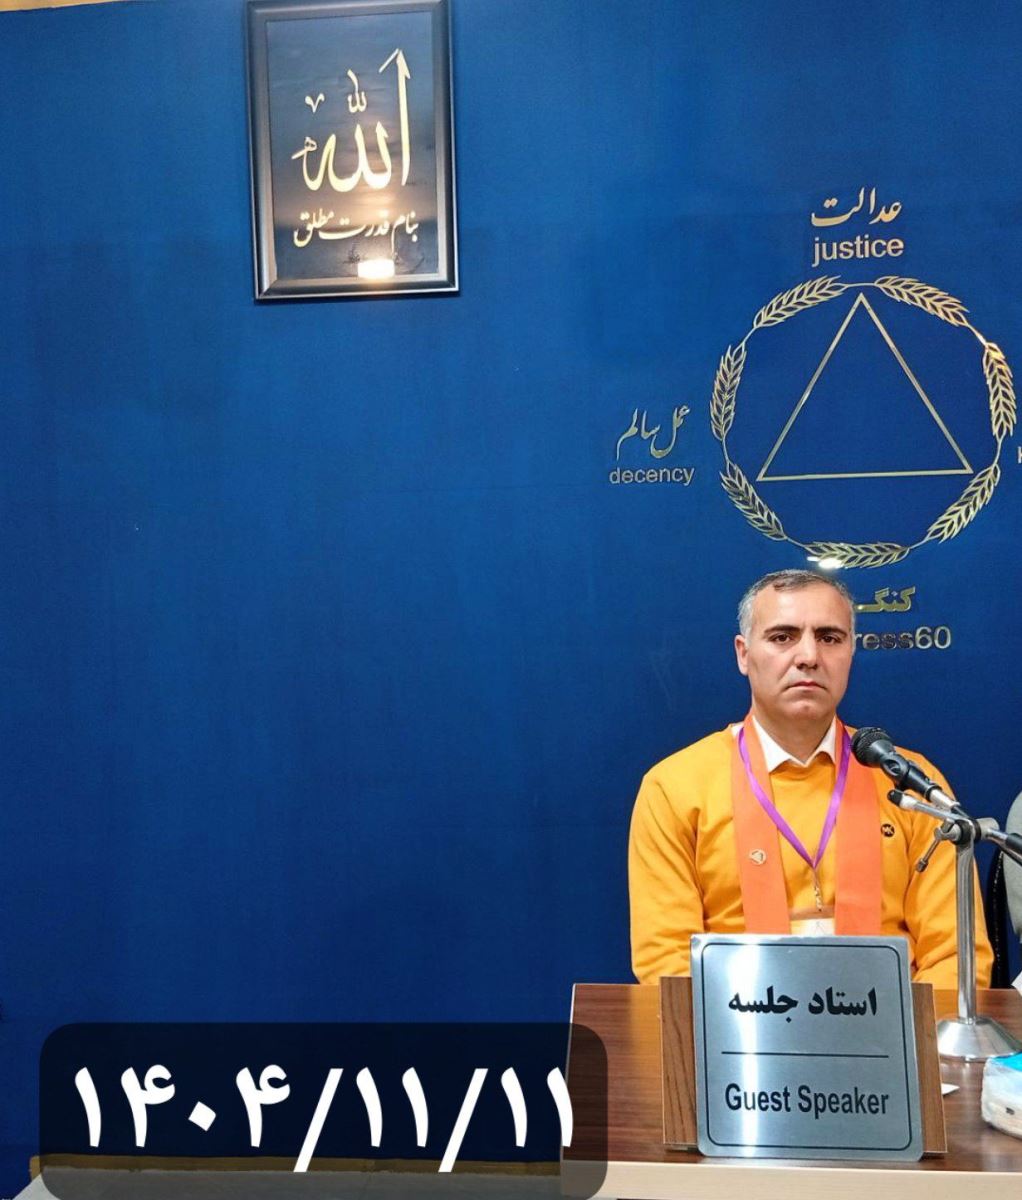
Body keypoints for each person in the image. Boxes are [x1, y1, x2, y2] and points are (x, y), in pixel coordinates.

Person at [628, 568, 992, 989]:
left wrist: (904, 1029)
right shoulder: (674, 788)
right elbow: (667, 963)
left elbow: (956, 957)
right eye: (782, 637)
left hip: (898, 1024)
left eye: (829, 638)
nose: (808, 656)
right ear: (743, 654)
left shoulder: (910, 784)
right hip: (738, 1023)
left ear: (851, 650)